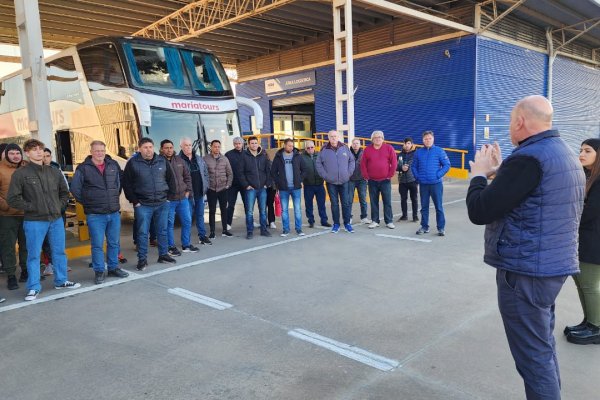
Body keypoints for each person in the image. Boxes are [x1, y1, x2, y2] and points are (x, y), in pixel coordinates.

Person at [466, 95, 585, 399]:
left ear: (520, 122)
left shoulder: (527, 159)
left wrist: (479, 174)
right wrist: (500, 170)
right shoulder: (562, 153)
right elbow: (531, 194)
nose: (509, 128)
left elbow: (479, 210)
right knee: (542, 350)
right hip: (550, 267)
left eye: (510, 122)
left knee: (533, 359)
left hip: (525, 273)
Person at [8, 139, 81, 301]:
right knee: (33, 255)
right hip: (34, 221)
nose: (39, 152)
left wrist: (59, 206)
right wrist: (32, 207)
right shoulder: (21, 174)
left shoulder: (54, 172)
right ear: (27, 153)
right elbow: (12, 199)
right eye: (34, 149)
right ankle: (33, 287)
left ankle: (61, 281)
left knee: (59, 252)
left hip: (55, 219)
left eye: (40, 149)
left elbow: (64, 193)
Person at [70, 141, 129, 284]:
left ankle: (114, 267)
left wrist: (113, 197)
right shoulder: (83, 168)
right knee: (97, 244)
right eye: (97, 151)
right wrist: (89, 202)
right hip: (95, 214)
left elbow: (118, 184)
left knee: (114, 243)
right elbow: (75, 189)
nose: (100, 153)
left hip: (113, 212)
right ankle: (99, 271)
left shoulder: (112, 165)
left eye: (102, 150)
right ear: (91, 151)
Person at [564, 138, 600, 345]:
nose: (582, 154)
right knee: (580, 283)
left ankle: (596, 328)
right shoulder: (587, 176)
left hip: (593, 242)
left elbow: (590, 212)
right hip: (581, 239)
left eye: (588, 151)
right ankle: (589, 322)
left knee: (589, 285)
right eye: (581, 150)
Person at [123, 137, 177, 271]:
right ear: (140, 149)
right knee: (142, 233)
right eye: (145, 147)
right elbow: (126, 184)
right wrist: (135, 201)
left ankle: (163, 255)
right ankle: (142, 260)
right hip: (143, 205)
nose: (148, 150)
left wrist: (169, 198)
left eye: (150, 147)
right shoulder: (133, 163)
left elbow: (171, 180)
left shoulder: (162, 160)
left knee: (162, 231)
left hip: (162, 203)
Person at [160, 139, 199, 255]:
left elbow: (187, 177)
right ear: (162, 149)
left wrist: (188, 192)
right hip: (169, 200)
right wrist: (164, 197)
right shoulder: (159, 162)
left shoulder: (179, 160)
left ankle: (186, 245)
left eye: (171, 147)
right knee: (169, 225)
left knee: (187, 221)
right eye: (166, 148)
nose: (169, 150)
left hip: (183, 198)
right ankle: (170, 247)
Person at [411, 130, 450, 236]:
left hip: (436, 184)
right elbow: (413, 166)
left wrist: (438, 175)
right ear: (423, 140)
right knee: (424, 207)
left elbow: (447, 165)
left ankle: (441, 228)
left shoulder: (439, 151)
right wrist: (417, 177)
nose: (427, 140)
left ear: (433, 139)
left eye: (429, 138)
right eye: (425, 139)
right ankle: (424, 226)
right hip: (423, 184)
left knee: (438, 207)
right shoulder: (418, 152)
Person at [0, 144, 28, 290]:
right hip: (7, 215)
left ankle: (25, 271)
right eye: (12, 153)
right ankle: (11, 276)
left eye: (18, 153)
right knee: (8, 247)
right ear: (6, 154)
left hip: (26, 214)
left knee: (26, 245)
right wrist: (6, 206)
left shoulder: (26, 168)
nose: (16, 155)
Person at [316, 130, 355, 233]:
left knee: (345, 203)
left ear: (338, 137)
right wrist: (325, 176)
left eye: (335, 136)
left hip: (344, 181)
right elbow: (318, 163)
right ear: (328, 138)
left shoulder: (345, 147)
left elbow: (352, 160)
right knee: (334, 204)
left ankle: (347, 224)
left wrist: (349, 173)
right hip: (331, 182)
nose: (333, 138)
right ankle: (336, 224)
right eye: (331, 136)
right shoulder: (324, 149)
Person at [40, 147, 69, 276]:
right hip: (42, 213)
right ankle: (49, 264)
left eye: (48, 156)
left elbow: (65, 191)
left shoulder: (57, 171)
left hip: (58, 212)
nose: (45, 158)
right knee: (45, 240)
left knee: (58, 239)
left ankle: (60, 264)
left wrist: (61, 207)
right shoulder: (33, 172)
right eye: (43, 156)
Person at [360, 130, 397, 229]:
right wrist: (366, 176)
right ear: (372, 139)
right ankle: (375, 221)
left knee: (387, 201)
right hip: (372, 181)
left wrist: (390, 175)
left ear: (383, 139)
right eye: (375, 137)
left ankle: (389, 221)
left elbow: (394, 162)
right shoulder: (367, 149)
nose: (378, 139)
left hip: (385, 180)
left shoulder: (389, 148)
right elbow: (363, 164)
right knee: (373, 202)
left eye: (379, 137)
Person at [237, 136, 272, 239]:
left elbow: (268, 171)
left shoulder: (263, 155)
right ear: (248, 144)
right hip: (250, 189)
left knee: (263, 210)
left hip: (262, 188)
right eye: (252, 143)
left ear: (258, 144)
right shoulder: (243, 156)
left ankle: (264, 230)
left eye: (255, 143)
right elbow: (240, 173)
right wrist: (246, 185)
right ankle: (250, 231)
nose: (254, 145)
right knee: (249, 211)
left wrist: (267, 184)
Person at [179, 137, 211, 245]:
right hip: (187, 195)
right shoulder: (178, 160)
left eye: (189, 145)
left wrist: (205, 187)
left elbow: (206, 173)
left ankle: (202, 237)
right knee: (187, 219)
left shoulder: (198, 158)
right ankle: (186, 242)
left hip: (199, 193)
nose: (188, 147)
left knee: (200, 216)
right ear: (181, 147)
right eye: (185, 145)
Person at [271, 138, 305, 236]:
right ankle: (286, 230)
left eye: (292, 145)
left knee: (297, 209)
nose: (291, 147)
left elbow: (304, 170)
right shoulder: (278, 157)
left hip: (296, 188)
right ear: (284, 145)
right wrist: (279, 182)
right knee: (284, 210)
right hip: (283, 188)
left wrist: (300, 180)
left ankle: (299, 229)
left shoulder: (298, 156)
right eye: (289, 145)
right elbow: (273, 172)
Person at [203, 140, 233, 238]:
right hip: (211, 189)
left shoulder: (225, 159)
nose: (217, 148)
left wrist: (228, 185)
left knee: (224, 209)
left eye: (218, 146)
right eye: (215, 146)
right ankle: (212, 232)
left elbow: (230, 173)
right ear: (211, 147)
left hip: (223, 188)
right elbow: (203, 174)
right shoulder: (205, 159)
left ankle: (225, 230)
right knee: (212, 211)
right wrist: (206, 186)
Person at [301, 141, 330, 228]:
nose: (310, 149)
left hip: (320, 184)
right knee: (308, 204)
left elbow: (326, 167)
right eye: (308, 148)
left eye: (312, 147)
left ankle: (324, 221)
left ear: (314, 147)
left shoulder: (320, 156)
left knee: (321, 204)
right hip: (308, 185)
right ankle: (311, 221)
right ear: (305, 149)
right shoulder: (301, 157)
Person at [225, 137, 247, 230]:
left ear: (242, 144)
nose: (238, 145)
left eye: (239, 143)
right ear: (233, 144)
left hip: (245, 184)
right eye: (236, 143)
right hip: (232, 184)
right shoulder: (228, 154)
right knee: (230, 205)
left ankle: (250, 221)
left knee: (248, 204)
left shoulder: (247, 154)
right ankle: (228, 223)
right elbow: (225, 169)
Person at [348, 139, 370, 225]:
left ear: (360, 145)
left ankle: (364, 217)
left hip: (362, 180)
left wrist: (367, 176)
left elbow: (368, 164)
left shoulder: (364, 153)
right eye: (354, 143)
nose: (355, 145)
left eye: (357, 143)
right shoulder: (347, 153)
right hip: (350, 180)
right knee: (349, 200)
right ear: (351, 144)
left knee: (363, 199)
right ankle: (348, 217)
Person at [397, 137, 419, 222]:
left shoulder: (416, 154)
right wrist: (401, 167)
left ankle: (415, 216)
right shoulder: (400, 155)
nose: (406, 145)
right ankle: (404, 215)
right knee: (403, 199)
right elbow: (397, 166)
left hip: (413, 180)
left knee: (414, 198)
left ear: (411, 144)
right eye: (405, 143)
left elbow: (418, 165)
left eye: (409, 143)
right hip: (402, 181)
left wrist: (417, 178)